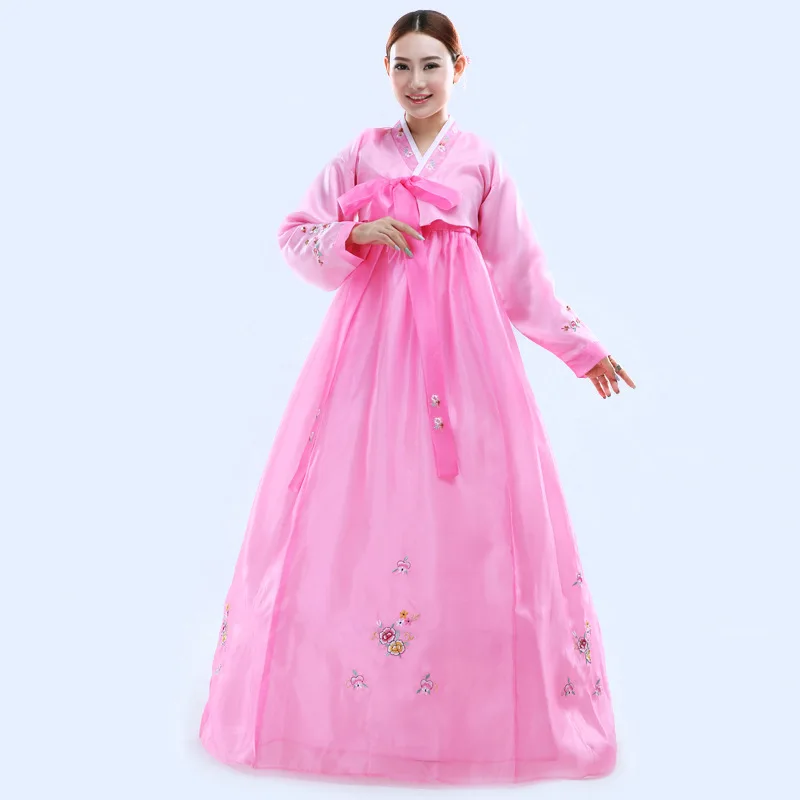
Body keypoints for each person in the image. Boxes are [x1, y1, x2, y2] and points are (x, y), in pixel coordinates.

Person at [199, 8, 634, 786]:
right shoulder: (362, 153)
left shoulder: (481, 161)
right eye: (402, 65)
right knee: (361, 501)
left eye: (432, 65)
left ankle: (470, 703)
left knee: (474, 511)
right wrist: (356, 235)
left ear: (458, 69)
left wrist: (583, 350)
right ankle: (345, 706)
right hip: (370, 351)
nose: (417, 81)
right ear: (387, 71)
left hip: (465, 356)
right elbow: (296, 232)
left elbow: (521, 272)